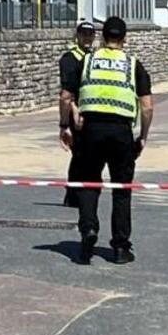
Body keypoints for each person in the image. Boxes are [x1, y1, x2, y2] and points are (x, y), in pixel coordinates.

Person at [60, 16, 153, 265]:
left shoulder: (87, 61)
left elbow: (67, 96)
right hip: (121, 132)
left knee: (89, 183)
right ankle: (121, 247)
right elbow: (146, 107)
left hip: (90, 130)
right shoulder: (133, 64)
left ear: (102, 37)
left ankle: (88, 230)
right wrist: (143, 137)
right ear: (124, 38)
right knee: (122, 189)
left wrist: (64, 126)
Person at [57, 21, 98, 207]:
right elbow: (67, 90)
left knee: (87, 154)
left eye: (91, 34)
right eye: (84, 34)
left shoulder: (93, 57)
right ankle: (73, 194)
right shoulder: (69, 58)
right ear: (78, 36)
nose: (88, 38)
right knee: (79, 153)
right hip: (77, 112)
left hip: (90, 111)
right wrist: (73, 110)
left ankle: (81, 192)